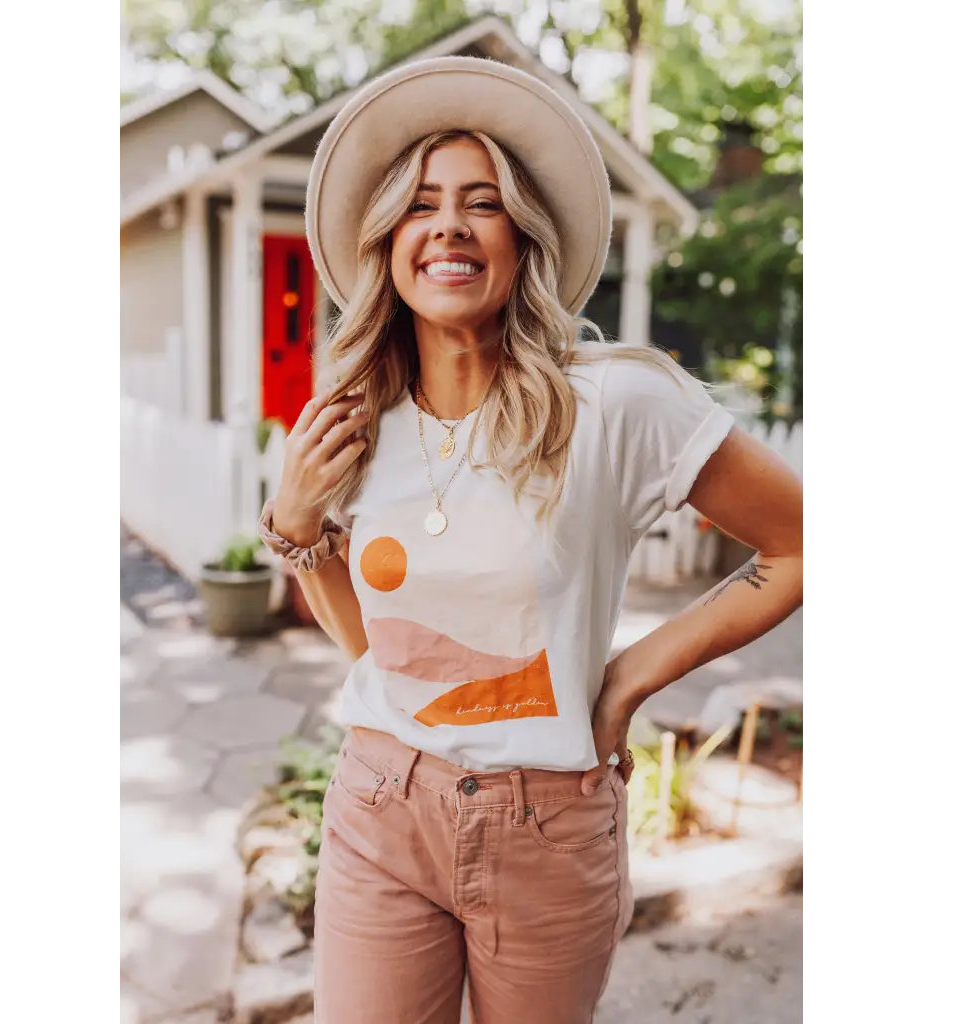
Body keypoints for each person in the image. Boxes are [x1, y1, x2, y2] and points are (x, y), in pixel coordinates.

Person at [257, 56, 804, 1024]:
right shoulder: (349, 421)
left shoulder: (617, 403)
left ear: (523, 240)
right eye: (421, 204)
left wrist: (627, 676)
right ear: (389, 241)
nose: (449, 225)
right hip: (382, 801)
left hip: (546, 824)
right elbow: (376, 651)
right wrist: (299, 527)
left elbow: (802, 543)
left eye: (483, 202)